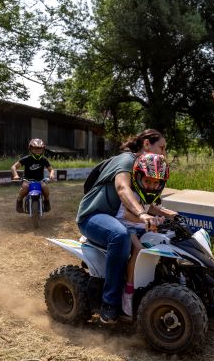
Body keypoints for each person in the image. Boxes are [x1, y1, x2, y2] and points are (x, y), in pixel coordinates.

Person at [76, 129, 168, 323]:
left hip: (115, 217)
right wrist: (142, 214)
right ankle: (109, 302)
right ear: (146, 144)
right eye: (162, 148)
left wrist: (166, 214)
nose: (164, 154)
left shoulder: (145, 168)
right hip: (93, 216)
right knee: (120, 235)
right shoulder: (127, 160)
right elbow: (122, 188)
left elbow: (145, 200)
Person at [116, 153, 177, 317]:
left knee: (164, 241)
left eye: (156, 183)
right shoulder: (133, 194)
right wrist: (147, 219)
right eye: (147, 181)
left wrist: (170, 214)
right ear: (138, 178)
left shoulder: (149, 195)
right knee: (139, 249)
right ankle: (128, 291)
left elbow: (151, 207)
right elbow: (125, 215)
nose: (151, 186)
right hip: (127, 227)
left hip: (142, 227)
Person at [11, 138, 56, 213]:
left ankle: (46, 201)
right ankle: (19, 201)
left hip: (40, 180)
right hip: (27, 180)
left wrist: (52, 175)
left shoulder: (44, 159)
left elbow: (51, 169)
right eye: (35, 149)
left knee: (45, 188)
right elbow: (13, 167)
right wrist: (15, 175)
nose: (37, 150)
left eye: (39, 149)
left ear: (43, 149)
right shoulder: (27, 158)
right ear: (30, 149)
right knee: (25, 187)